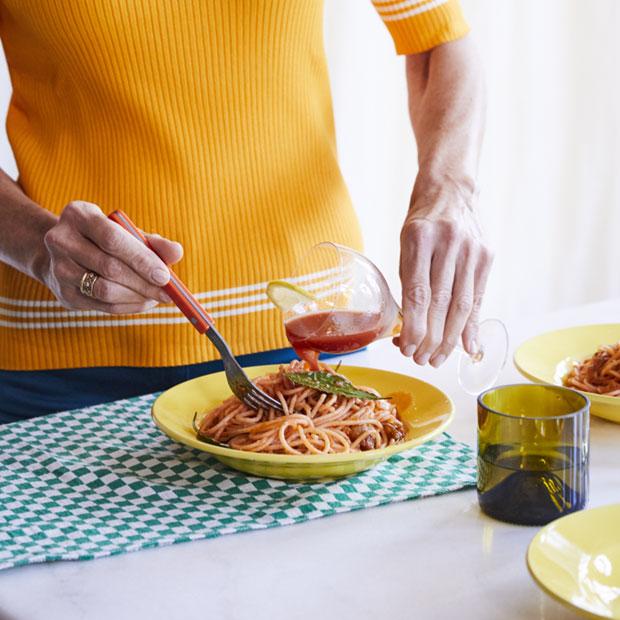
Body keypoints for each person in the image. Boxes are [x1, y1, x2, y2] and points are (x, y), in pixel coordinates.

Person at [0, 0, 491, 422]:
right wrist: (39, 250)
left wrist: (448, 190)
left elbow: (437, 40)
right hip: (60, 367)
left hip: (304, 336)